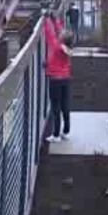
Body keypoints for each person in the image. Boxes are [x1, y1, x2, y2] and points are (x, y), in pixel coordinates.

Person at [44, 10, 74, 143]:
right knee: (65, 105)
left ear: (62, 38)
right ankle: (66, 131)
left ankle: (55, 135)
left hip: (55, 80)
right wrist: (55, 20)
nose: (60, 32)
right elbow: (60, 31)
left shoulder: (56, 46)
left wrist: (46, 19)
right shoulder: (67, 47)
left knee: (55, 107)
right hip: (65, 79)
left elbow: (50, 34)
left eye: (61, 34)